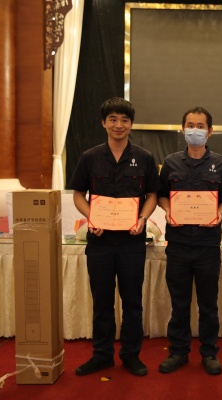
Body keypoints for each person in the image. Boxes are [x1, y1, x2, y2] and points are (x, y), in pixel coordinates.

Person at [68, 97, 160, 377]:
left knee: (132, 302)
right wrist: (91, 217)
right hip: (100, 242)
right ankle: (102, 355)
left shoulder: (144, 157)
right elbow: (78, 194)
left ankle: (131, 355)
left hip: (132, 241)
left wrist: (142, 219)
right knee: (102, 302)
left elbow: (152, 195)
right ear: (103, 123)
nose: (119, 125)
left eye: (124, 120)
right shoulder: (90, 157)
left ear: (131, 124)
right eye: (113, 119)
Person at [157, 107, 222, 375]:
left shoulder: (221, 164)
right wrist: (168, 210)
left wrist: (219, 212)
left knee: (208, 304)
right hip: (178, 244)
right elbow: (161, 194)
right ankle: (178, 352)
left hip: (208, 245)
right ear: (183, 129)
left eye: (200, 126)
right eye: (190, 125)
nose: (195, 130)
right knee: (179, 304)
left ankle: (209, 353)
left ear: (210, 131)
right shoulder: (170, 162)